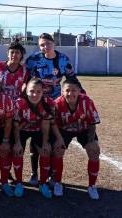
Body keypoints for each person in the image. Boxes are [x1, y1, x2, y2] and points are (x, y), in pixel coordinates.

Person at [25, 33, 84, 185]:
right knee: (35, 134)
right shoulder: (33, 60)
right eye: (42, 45)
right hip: (37, 101)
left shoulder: (63, 59)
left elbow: (72, 78)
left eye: (47, 44)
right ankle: (34, 173)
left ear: (54, 43)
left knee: (51, 137)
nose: (45, 47)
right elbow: (24, 79)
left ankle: (50, 173)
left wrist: (83, 96)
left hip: (56, 103)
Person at [0, 40, 30, 182]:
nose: (14, 55)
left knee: (10, 142)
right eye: (12, 52)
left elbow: (29, 88)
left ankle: (8, 171)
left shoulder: (25, 70)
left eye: (17, 53)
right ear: (8, 53)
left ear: (21, 55)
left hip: (15, 110)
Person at [51, 78, 101, 199]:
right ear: (62, 91)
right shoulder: (57, 104)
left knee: (94, 150)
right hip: (64, 130)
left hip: (83, 129)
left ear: (79, 91)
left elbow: (92, 123)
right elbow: (54, 124)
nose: (70, 93)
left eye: (74, 90)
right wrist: (58, 139)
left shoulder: (87, 102)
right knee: (58, 149)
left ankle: (92, 186)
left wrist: (91, 141)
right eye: (67, 90)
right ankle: (57, 182)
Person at [13, 78, 56, 198]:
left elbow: (46, 125)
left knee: (45, 151)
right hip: (21, 130)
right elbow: (16, 126)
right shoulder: (19, 103)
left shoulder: (48, 103)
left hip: (38, 130)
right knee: (17, 152)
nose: (35, 94)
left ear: (43, 92)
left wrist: (46, 142)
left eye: (38, 91)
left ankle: (43, 184)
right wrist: (17, 143)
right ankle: (19, 183)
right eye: (32, 91)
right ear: (26, 91)